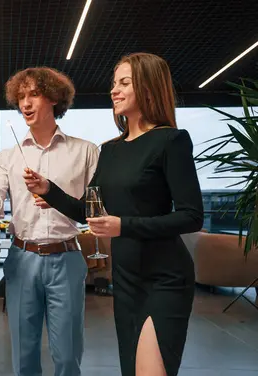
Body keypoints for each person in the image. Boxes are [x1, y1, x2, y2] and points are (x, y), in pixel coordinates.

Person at [24, 53, 203, 376]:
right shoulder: (110, 150)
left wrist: (124, 226)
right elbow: (88, 211)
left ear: (148, 89)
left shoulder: (171, 141)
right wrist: (49, 190)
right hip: (126, 279)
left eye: (124, 83)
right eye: (113, 84)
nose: (114, 90)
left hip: (165, 278)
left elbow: (192, 217)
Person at [0, 67, 98, 376]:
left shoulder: (85, 151)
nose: (25, 103)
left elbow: (95, 210)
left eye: (34, 94)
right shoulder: (7, 156)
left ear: (54, 98)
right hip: (21, 257)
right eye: (21, 96)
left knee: (68, 356)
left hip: (67, 257)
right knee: (24, 357)